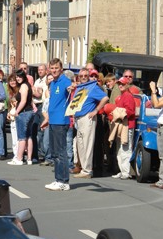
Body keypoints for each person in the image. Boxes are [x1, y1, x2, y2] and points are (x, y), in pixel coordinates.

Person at [41, 58, 74, 191]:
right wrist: (47, 119)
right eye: (52, 68)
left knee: (61, 152)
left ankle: (64, 181)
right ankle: (57, 179)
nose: (54, 70)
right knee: (54, 152)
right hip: (53, 121)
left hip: (61, 121)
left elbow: (70, 88)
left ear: (61, 69)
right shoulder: (53, 83)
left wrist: (71, 88)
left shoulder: (65, 81)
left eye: (56, 68)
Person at [72, 68, 108, 178]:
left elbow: (105, 98)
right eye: (81, 75)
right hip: (79, 118)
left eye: (85, 75)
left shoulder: (92, 87)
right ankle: (84, 168)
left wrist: (96, 110)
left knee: (87, 145)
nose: (83, 77)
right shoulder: (79, 87)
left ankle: (87, 170)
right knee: (80, 145)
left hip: (87, 117)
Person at [111, 76, 136, 180]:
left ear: (127, 85)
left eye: (122, 84)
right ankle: (122, 171)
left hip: (127, 125)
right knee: (120, 149)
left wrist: (119, 113)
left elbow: (130, 112)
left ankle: (126, 172)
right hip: (121, 125)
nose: (120, 85)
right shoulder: (121, 96)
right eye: (119, 84)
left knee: (125, 148)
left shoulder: (128, 96)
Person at [8, 69, 34, 165]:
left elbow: (23, 101)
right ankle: (29, 159)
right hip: (29, 112)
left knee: (22, 137)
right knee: (29, 136)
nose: (18, 78)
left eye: (20, 77)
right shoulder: (27, 85)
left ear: (23, 77)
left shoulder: (23, 86)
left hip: (24, 113)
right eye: (17, 77)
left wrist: (16, 111)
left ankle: (19, 159)